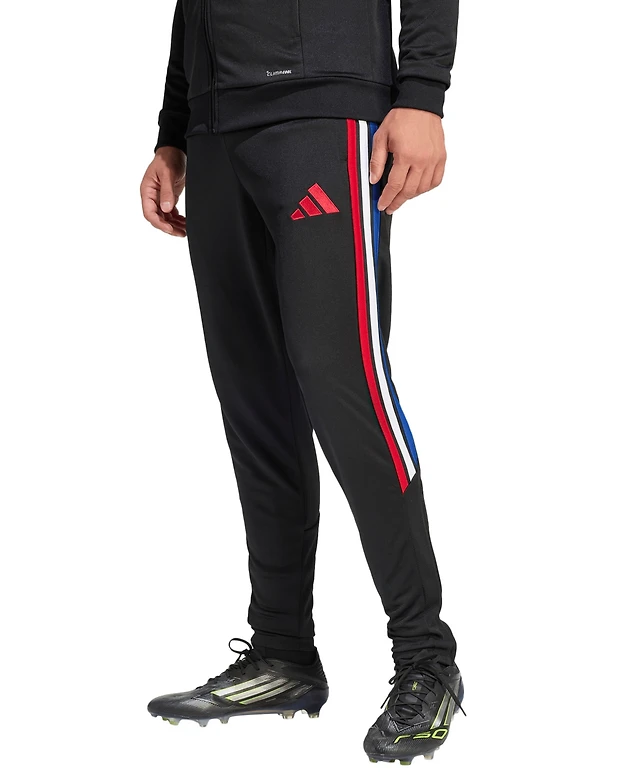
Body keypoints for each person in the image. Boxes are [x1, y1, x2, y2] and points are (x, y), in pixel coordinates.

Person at [140, 0, 463, 765]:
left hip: (322, 107)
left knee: (345, 383)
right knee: (254, 398)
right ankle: (282, 652)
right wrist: (173, 130)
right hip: (216, 127)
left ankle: (428, 660)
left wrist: (422, 92)